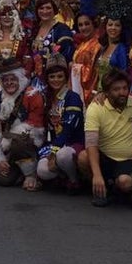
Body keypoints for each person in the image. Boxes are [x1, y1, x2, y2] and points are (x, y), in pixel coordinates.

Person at [0, 58, 46, 191]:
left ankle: (31, 174)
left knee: (19, 143)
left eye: (13, 79)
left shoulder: (32, 95)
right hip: (9, 148)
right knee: (3, 179)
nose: (9, 83)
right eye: (5, 80)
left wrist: (8, 139)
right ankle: (19, 172)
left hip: (30, 144)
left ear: (20, 78)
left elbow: (36, 128)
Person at [85, 68, 132, 207]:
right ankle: (100, 184)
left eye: (124, 88)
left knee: (124, 182)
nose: (122, 92)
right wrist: (97, 175)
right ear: (106, 92)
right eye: (116, 89)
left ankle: (116, 189)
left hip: (130, 160)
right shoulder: (95, 107)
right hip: (105, 159)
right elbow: (91, 143)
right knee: (82, 157)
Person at [38, 53, 87, 189]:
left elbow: (69, 128)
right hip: (54, 142)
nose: (56, 80)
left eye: (60, 76)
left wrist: (54, 151)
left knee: (63, 155)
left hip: (73, 142)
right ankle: (62, 176)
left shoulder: (73, 97)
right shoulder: (46, 98)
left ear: (66, 77)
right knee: (42, 170)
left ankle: (74, 180)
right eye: (52, 77)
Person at [29, 0, 74, 87]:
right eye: (41, 8)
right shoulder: (34, 30)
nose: (45, 11)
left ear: (54, 10)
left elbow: (67, 56)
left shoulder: (61, 30)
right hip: (34, 79)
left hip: (55, 80)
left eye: (48, 8)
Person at [70, 13, 102, 105]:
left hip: (90, 87)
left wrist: (74, 67)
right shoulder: (83, 44)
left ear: (93, 24)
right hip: (78, 85)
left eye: (87, 24)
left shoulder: (97, 45)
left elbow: (93, 70)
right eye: (80, 25)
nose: (83, 28)